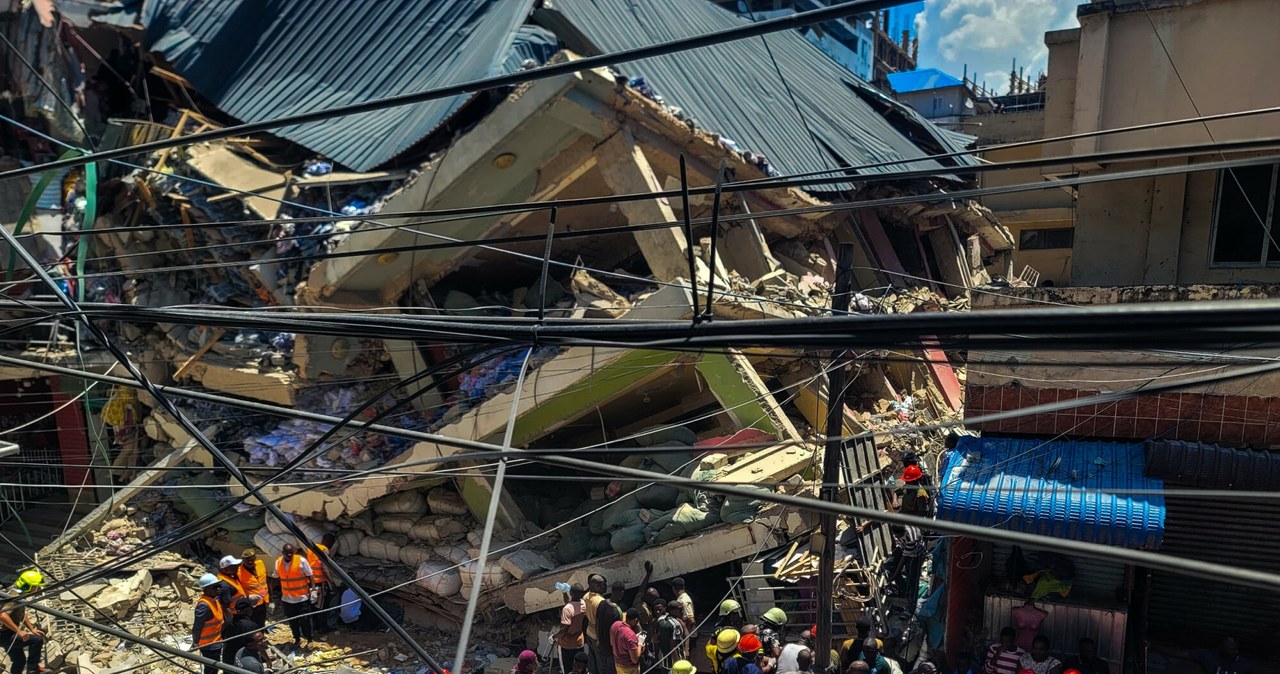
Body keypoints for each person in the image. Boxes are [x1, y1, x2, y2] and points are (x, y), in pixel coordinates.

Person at [2, 570, 46, 674]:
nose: (38, 588)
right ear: (28, 586)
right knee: (37, 640)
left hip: (8, 633)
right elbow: (3, 616)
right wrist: (19, 631)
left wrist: (32, 629)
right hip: (4, 634)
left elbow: (22, 614)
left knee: (19, 661)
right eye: (36, 586)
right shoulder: (15, 596)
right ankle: (32, 668)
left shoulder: (20, 594)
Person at [274, 543, 314, 653]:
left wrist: (313, 590)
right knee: (292, 621)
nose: (289, 555)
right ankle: (297, 639)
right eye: (287, 553)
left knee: (305, 620)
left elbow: (310, 575)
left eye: (291, 553)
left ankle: (309, 639)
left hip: (301, 598)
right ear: (283, 553)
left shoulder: (301, 561)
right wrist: (273, 594)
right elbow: (276, 577)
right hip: (287, 599)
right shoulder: (278, 562)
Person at [190, 573, 225, 674]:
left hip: (216, 642)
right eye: (215, 587)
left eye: (219, 586)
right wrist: (195, 642)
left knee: (214, 667)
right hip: (209, 645)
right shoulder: (204, 606)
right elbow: (197, 626)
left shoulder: (214, 600)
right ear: (206, 589)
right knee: (211, 669)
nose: (218, 589)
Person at [305, 534, 336, 632]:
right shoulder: (324, 550)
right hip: (320, 582)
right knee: (322, 606)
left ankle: (315, 626)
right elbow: (324, 568)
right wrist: (331, 583)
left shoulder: (311, 548)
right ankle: (323, 627)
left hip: (311, 582)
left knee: (313, 605)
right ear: (329, 542)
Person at [556, 584, 588, 674]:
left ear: (571, 593)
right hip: (578, 642)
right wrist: (564, 592)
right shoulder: (582, 603)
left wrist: (554, 636)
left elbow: (564, 629)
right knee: (580, 669)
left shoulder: (567, 609)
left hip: (566, 644)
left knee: (567, 669)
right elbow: (571, 605)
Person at [220, 598, 259, 666]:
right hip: (244, 657)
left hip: (228, 656)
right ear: (246, 610)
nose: (252, 609)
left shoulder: (227, 623)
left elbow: (223, 636)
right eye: (251, 608)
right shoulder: (251, 626)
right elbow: (257, 643)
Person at [236, 549, 269, 627]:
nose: (250, 562)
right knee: (252, 624)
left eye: (252, 560)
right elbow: (238, 589)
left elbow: (267, 580)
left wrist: (271, 600)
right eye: (247, 560)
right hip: (250, 604)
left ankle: (261, 635)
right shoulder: (239, 572)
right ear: (243, 560)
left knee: (261, 622)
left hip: (263, 601)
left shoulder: (260, 564)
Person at [585, 575, 608, 674]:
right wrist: (599, 639)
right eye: (603, 585)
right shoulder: (600, 602)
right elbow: (599, 622)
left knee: (592, 658)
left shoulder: (586, 596)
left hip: (589, 631)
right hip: (596, 635)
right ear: (598, 586)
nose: (605, 587)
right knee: (602, 662)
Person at [656, 601, 687, 670]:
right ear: (673, 611)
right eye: (680, 610)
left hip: (664, 660)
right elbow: (673, 647)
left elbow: (656, 639)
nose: (682, 612)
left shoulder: (660, 620)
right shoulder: (675, 625)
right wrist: (678, 665)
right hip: (675, 661)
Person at [611, 609, 643, 674]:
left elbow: (612, 643)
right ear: (636, 620)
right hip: (629, 668)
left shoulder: (615, 625)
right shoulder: (631, 636)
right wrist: (640, 643)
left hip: (617, 664)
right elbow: (635, 659)